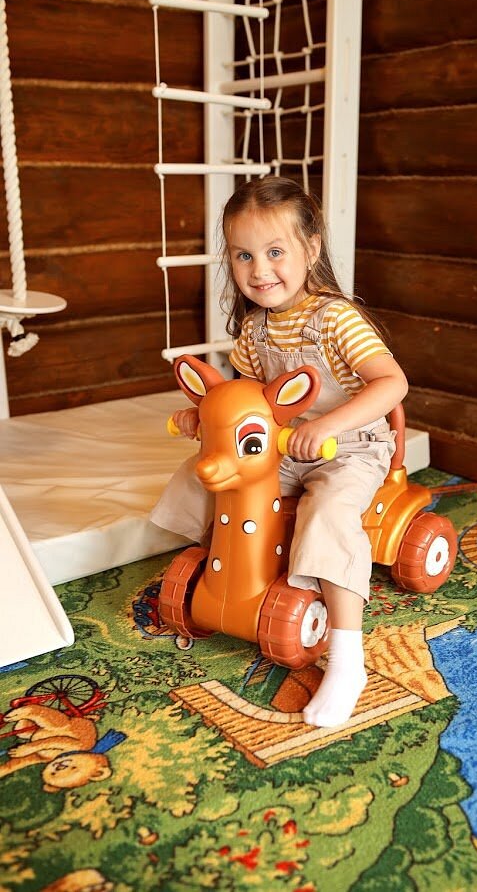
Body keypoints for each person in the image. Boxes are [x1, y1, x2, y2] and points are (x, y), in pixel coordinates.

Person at [152, 176, 408, 728]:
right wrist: (208, 417)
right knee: (207, 477)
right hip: (282, 445)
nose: (259, 270)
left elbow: (393, 383)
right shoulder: (254, 331)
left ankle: (347, 658)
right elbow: (244, 402)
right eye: (243, 255)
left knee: (328, 511)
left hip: (351, 446)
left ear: (311, 249)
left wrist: (330, 424)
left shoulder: (335, 318)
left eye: (274, 252)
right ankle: (225, 567)